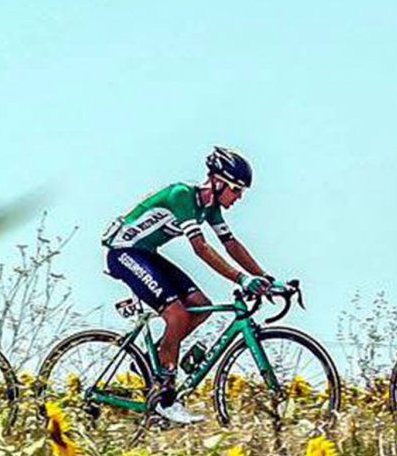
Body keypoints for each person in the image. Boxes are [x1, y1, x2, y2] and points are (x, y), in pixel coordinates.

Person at [102, 146, 284, 424]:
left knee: (201, 306)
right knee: (177, 314)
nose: (238, 197)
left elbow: (231, 244)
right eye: (236, 190)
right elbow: (200, 248)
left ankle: (159, 364)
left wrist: (266, 278)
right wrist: (242, 278)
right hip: (124, 252)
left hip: (147, 254)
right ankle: (165, 399)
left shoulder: (210, 209)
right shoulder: (183, 196)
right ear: (217, 181)